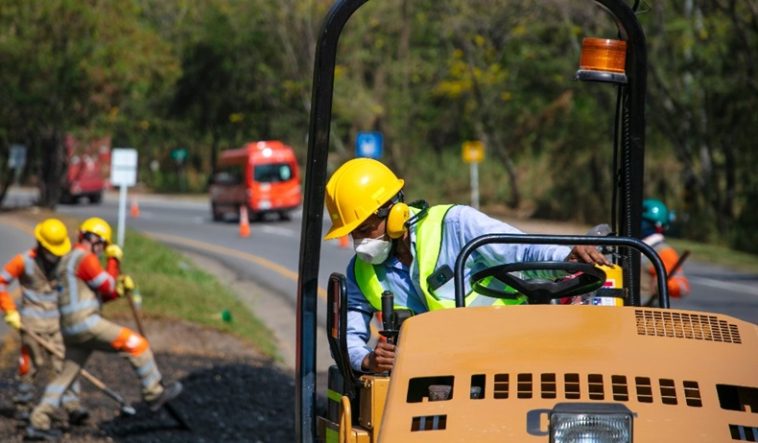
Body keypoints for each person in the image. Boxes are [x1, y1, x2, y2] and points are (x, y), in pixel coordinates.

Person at [323, 158, 609, 373]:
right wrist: (368, 359)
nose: (359, 242)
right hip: (435, 372)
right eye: (353, 233)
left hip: (508, 349)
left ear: (395, 212)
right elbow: (349, 335)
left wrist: (566, 255)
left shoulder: (457, 225)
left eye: (365, 230)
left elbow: (521, 249)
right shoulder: (360, 271)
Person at [27, 217, 182, 439]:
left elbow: (102, 294)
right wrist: (113, 261)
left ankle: (38, 421)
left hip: (70, 329)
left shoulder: (67, 261)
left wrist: (119, 291)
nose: (102, 250)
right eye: (103, 246)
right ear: (95, 240)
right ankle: (154, 393)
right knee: (136, 344)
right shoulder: (85, 259)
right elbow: (107, 283)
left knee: (65, 377)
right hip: (86, 324)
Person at [0, 218, 88, 424]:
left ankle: (72, 406)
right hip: (31, 324)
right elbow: (1, 282)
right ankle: (23, 405)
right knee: (30, 366)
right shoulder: (23, 261)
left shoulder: (65, 261)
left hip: (58, 324)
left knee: (64, 364)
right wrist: (10, 310)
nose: (55, 256)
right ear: (41, 245)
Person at [640, 198, 690, 302]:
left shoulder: (664, 251)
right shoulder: (634, 245)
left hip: (646, 313)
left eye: (645, 221)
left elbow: (682, 287)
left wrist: (664, 283)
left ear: (658, 225)